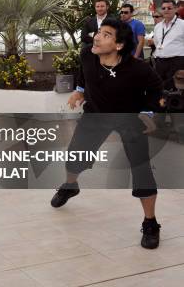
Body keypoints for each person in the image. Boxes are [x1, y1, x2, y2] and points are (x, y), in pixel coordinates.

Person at [54, 18, 162, 249]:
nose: (97, 37)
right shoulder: (87, 55)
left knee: (141, 168)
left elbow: (156, 88)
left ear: (119, 45)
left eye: (106, 34)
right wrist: (80, 91)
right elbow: (84, 73)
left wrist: (147, 112)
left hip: (129, 119)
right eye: (99, 32)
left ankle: (150, 223)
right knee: (74, 157)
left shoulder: (139, 69)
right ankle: (70, 186)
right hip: (96, 115)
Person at [152, 0, 184, 91]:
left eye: (169, 8)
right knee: (160, 87)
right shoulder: (158, 26)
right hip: (160, 61)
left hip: (177, 61)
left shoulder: (182, 24)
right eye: (163, 8)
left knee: (175, 89)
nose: (166, 10)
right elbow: (157, 42)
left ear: (175, 9)